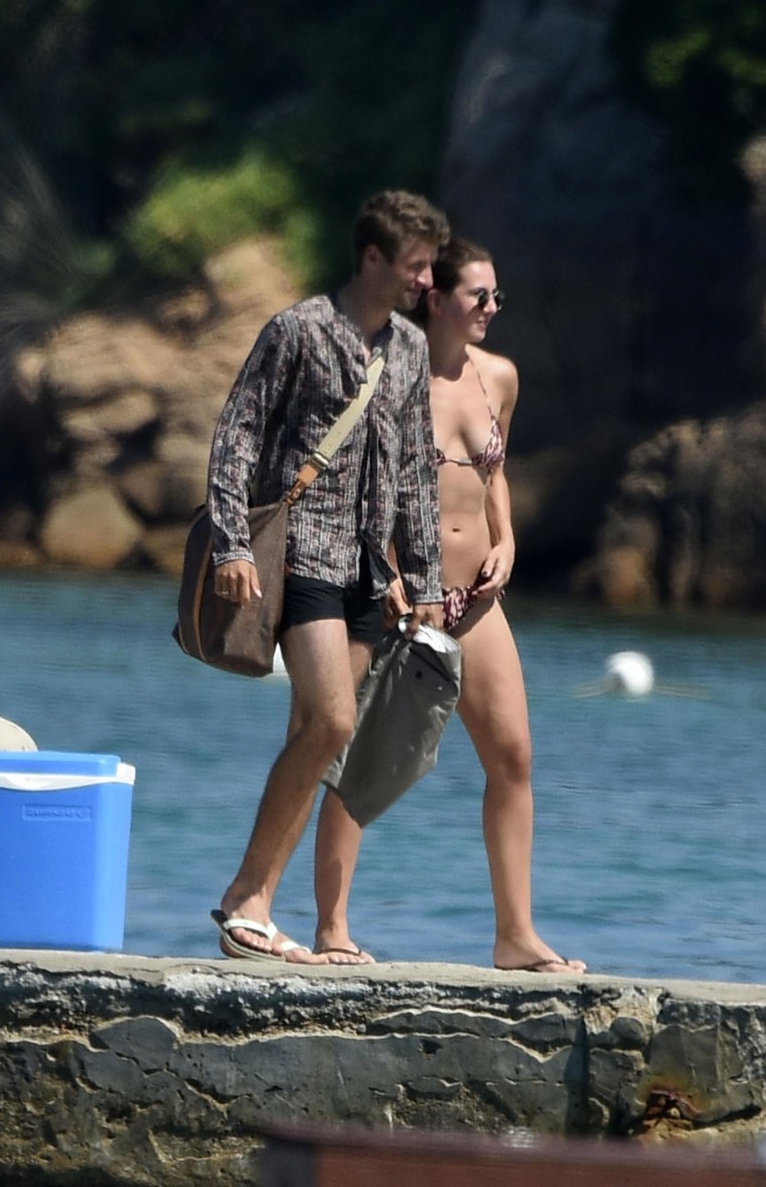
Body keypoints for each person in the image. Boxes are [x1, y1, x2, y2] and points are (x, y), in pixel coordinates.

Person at [313, 238, 587, 973]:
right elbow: (359, 483)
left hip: (478, 600)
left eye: (498, 297)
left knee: (514, 757)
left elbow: (495, 474)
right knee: (357, 762)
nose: (493, 308)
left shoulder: (499, 377)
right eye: (479, 296)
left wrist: (508, 541)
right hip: (404, 600)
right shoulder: (389, 376)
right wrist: (386, 573)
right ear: (436, 299)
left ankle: (515, 936)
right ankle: (332, 930)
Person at [208, 190, 449, 964]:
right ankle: (245, 896)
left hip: (368, 570)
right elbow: (237, 436)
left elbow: (415, 469)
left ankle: (261, 915)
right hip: (303, 552)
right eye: (416, 266)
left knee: (315, 738)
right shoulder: (299, 330)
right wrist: (231, 545)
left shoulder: (410, 348)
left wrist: (426, 577)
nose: (427, 281)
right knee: (334, 722)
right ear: (373, 257)